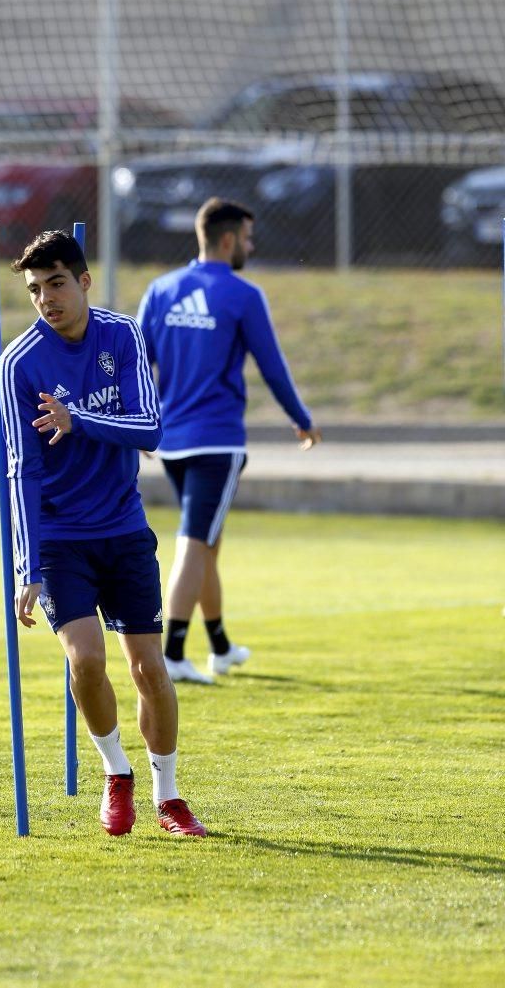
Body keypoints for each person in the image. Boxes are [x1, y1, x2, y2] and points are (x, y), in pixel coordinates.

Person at [0, 229, 206, 837]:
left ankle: (169, 797)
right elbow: (21, 469)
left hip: (123, 528)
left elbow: (149, 429)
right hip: (61, 540)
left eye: (56, 284)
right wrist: (25, 564)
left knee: (150, 670)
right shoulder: (18, 361)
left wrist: (78, 419)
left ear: (84, 281)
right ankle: (117, 776)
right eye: (35, 290)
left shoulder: (124, 334)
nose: (46, 299)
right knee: (86, 659)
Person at [137, 197, 321, 685]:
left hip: (172, 443)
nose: (251, 245)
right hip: (216, 442)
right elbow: (273, 367)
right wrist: (301, 419)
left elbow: (139, 364)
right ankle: (174, 651)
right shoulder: (243, 295)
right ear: (227, 239)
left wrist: (139, 421)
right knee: (195, 543)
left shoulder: (160, 289)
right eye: (247, 237)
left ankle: (219, 646)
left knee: (208, 544)